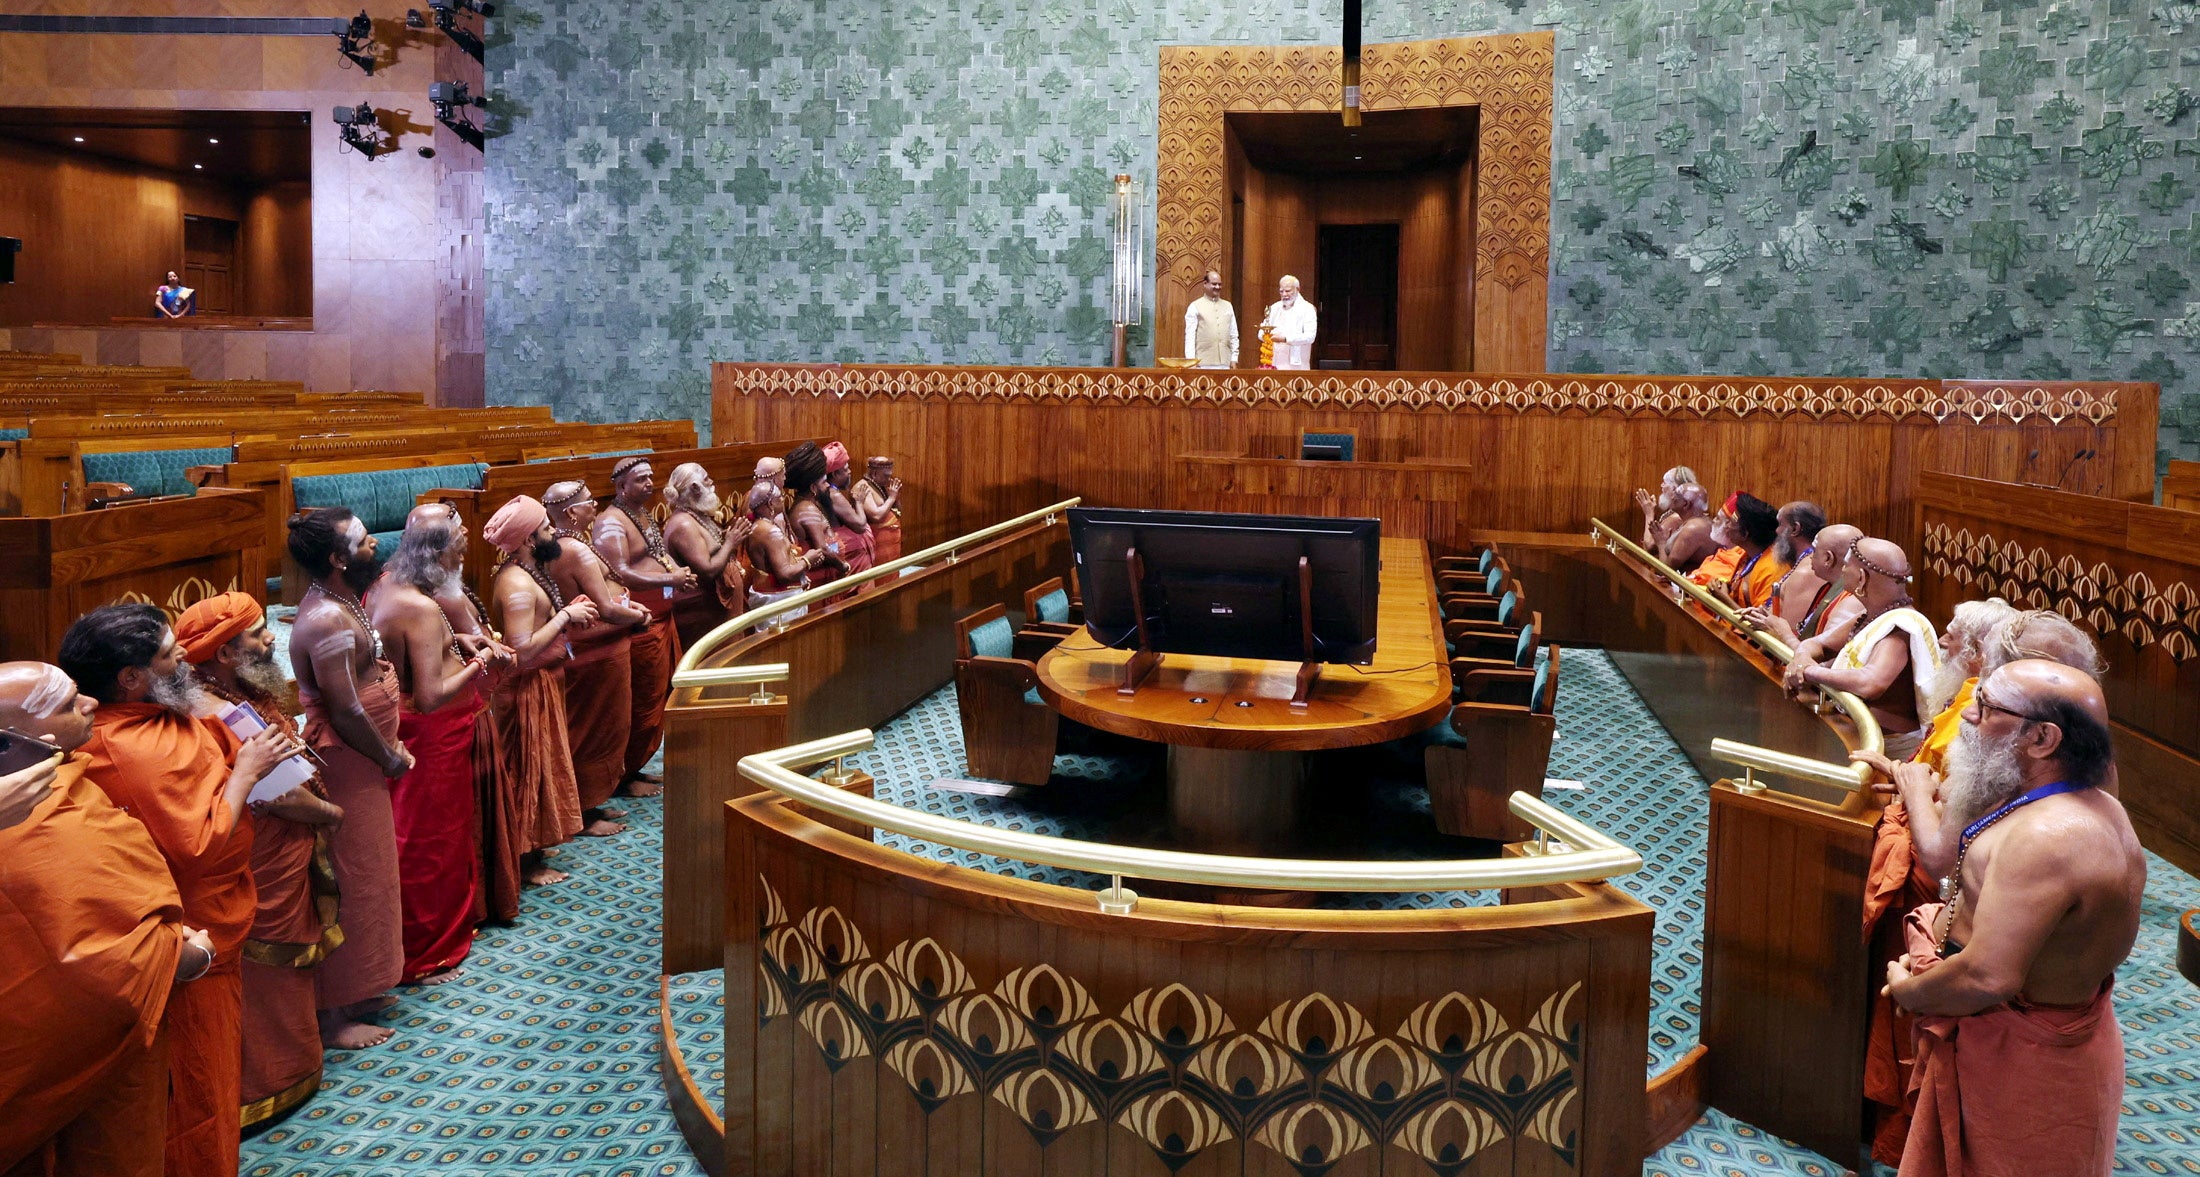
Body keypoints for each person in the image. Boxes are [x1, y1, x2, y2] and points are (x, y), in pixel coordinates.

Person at [58, 604, 303, 1177]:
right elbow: (195, 852)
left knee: (211, 1085)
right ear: (131, 678)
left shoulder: (166, 713)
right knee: (196, 1094)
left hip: (221, 928)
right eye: (171, 656)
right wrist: (244, 774)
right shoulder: (127, 747)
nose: (186, 663)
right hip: (191, 943)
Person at [1881, 660, 2142, 1177]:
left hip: (2023, 1065)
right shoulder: (2079, 802)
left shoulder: (2049, 838)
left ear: (2043, 739)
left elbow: (1988, 975)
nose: (1967, 718)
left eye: (1986, 707)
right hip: (2023, 1043)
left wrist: (1908, 992)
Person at [0, 662, 198, 1177]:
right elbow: (83, 968)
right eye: (70, 704)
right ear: (27, 739)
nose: (92, 702)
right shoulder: (25, 823)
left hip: (113, 1042)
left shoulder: (65, 778)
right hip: (73, 1050)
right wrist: (183, 955)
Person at [1847, 595, 2015, 1165]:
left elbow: (1944, 847)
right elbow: (1938, 779)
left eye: (1950, 635)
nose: (1939, 642)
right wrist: (1905, 778)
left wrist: (1914, 789)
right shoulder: (1973, 703)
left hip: (1952, 899)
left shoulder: (1999, 725)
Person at [172, 592, 347, 1132]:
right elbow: (274, 794)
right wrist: (330, 813)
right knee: (270, 966)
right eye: (257, 633)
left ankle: (295, 1063)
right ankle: (265, 1085)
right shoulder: (215, 711)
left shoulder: (230, 687)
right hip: (263, 850)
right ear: (224, 653)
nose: (272, 636)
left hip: (279, 841)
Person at [287, 508, 409, 1049]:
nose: (375, 548)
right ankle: (336, 1015)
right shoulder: (326, 621)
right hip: (349, 765)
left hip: (366, 763)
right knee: (352, 881)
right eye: (363, 544)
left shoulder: (342, 602)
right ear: (337, 559)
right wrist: (388, 757)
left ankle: (365, 987)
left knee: (375, 875)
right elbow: (346, 712)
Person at [369, 504, 498, 985]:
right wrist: (479, 658)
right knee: (431, 840)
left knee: (418, 833)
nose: (465, 551)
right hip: (433, 729)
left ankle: (433, 935)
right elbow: (431, 693)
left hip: (409, 726)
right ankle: (427, 953)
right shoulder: (422, 608)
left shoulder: (386, 583)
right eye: (460, 546)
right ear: (440, 555)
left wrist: (454, 640)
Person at [483, 495, 601, 890]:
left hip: (543, 684)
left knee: (540, 769)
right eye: (546, 529)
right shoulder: (516, 581)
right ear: (528, 539)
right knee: (524, 773)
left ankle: (531, 847)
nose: (553, 533)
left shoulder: (529, 571)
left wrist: (567, 615)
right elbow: (521, 648)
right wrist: (566, 616)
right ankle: (525, 861)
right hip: (524, 690)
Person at [544, 480, 648, 833]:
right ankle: (583, 813)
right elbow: (604, 607)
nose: (595, 506)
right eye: (589, 502)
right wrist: (639, 615)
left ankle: (592, 804)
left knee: (603, 727)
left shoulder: (568, 544)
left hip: (600, 649)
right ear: (572, 512)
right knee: (591, 729)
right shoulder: (574, 550)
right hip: (595, 653)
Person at [592, 457, 695, 797]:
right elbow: (619, 572)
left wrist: (677, 574)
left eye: (651, 476)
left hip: (663, 618)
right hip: (640, 624)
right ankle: (622, 777)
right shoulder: (611, 522)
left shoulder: (643, 514)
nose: (650, 483)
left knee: (660, 695)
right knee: (641, 703)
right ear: (621, 486)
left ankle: (634, 768)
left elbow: (653, 557)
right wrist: (671, 577)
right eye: (641, 479)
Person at [1784, 538, 1942, 758]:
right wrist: (1801, 660)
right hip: (1857, 737)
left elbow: (1871, 683)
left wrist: (1808, 672)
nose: (1843, 570)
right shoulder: (1870, 617)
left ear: (1861, 577)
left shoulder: (1900, 628)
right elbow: (1817, 644)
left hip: (1887, 751)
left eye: (1847, 565)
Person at [661, 464, 753, 651]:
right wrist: (730, 543)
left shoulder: (696, 514)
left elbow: (711, 548)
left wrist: (727, 537)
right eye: (706, 478)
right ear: (695, 488)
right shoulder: (684, 525)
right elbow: (708, 569)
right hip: (704, 612)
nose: (711, 482)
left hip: (717, 610)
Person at [1747, 522, 1865, 648]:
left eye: (1814, 551)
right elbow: (1804, 635)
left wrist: (1782, 632)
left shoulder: (1850, 604)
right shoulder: (1830, 586)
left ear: (1828, 559)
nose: (1810, 557)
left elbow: (1816, 660)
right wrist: (1768, 622)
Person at [783, 442, 852, 588]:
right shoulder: (807, 509)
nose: (827, 485)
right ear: (813, 487)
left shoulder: (809, 504)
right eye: (824, 482)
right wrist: (843, 566)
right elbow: (823, 549)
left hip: (828, 577)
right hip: (820, 582)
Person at [744, 481, 816, 613]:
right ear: (771, 503)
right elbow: (784, 574)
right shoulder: (770, 532)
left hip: (769, 596)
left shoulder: (757, 526)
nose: (783, 499)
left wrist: (800, 576)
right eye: (780, 497)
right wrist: (807, 559)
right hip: (780, 601)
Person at [1635, 466, 1720, 573]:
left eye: (1677, 494)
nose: (1673, 496)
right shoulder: (1692, 522)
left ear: (1686, 504)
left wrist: (1661, 542)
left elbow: (1665, 571)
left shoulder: (1693, 528)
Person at [1721, 493, 1787, 608]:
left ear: (1745, 534)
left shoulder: (1772, 569)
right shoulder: (1748, 553)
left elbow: (1760, 624)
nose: (1726, 526)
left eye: (1730, 522)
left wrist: (1724, 598)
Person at [822, 441, 875, 583]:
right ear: (834, 473)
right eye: (846, 469)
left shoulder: (830, 491)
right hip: (846, 555)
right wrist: (858, 501)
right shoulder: (833, 494)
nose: (850, 472)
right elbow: (860, 525)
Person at [851, 455, 904, 566]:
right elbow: (876, 516)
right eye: (886, 475)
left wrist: (896, 497)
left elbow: (898, 511)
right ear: (874, 474)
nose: (889, 479)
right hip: (878, 545)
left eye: (890, 475)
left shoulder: (882, 485)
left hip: (891, 544)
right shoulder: (862, 487)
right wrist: (891, 498)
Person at [1182, 267, 1239, 368]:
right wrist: (1191, 361)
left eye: (1219, 284)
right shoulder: (1195, 306)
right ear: (1205, 284)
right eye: (1214, 284)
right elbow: (1190, 336)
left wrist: (1234, 358)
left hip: (1225, 363)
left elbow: (1233, 334)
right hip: (1202, 364)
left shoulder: (1228, 306)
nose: (1217, 287)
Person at [1259, 274, 1318, 370]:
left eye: (1288, 291)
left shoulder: (1307, 309)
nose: (1284, 294)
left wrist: (1285, 339)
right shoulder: (1274, 308)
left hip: (1297, 365)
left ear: (1297, 289)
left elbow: (1310, 337)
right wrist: (1268, 336)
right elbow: (1261, 332)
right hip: (1274, 362)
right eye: (1281, 291)